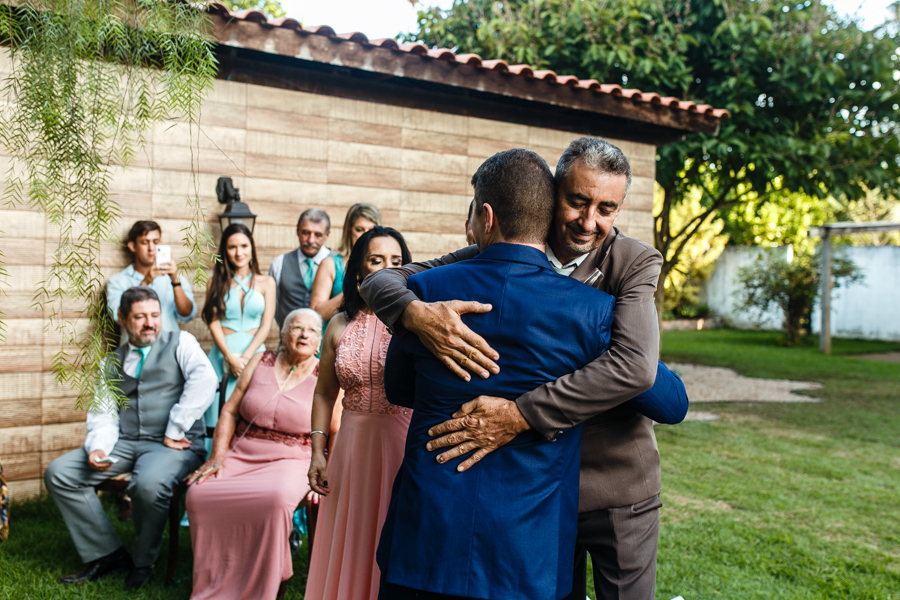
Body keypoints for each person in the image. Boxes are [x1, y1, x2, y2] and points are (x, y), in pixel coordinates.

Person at [360, 137, 687, 600]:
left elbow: (637, 368)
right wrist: (416, 313)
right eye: (578, 201)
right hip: (538, 493)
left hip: (614, 479)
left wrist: (518, 414)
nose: (589, 221)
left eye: (606, 209)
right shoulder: (497, 251)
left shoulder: (632, 263)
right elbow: (383, 280)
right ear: (553, 193)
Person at [44, 287, 217, 590]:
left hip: (175, 444)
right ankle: (106, 553)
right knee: (60, 473)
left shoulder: (181, 342)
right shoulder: (110, 362)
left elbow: (206, 380)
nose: (150, 323)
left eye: (154, 315)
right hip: (125, 442)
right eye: (140, 317)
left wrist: (175, 428)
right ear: (122, 319)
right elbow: (104, 412)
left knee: (148, 485)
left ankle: (143, 562)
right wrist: (98, 447)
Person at [305, 226, 413, 600]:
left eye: (396, 261)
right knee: (350, 536)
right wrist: (317, 452)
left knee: (392, 533)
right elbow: (323, 394)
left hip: (400, 446)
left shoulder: (414, 321)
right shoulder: (338, 324)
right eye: (376, 260)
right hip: (350, 449)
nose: (387, 268)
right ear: (358, 270)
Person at [185, 308, 323, 600]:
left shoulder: (324, 375)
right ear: (283, 334)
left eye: (312, 331)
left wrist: (324, 473)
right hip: (242, 452)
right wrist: (217, 457)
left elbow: (335, 431)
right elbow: (229, 411)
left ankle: (260, 587)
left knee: (275, 500)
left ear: (319, 341)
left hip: (293, 459)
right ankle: (215, 580)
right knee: (199, 494)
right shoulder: (260, 360)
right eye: (297, 328)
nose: (304, 335)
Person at [202, 223, 276, 433]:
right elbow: (213, 322)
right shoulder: (214, 282)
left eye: (244, 246)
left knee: (252, 411)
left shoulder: (267, 282)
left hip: (254, 354)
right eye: (232, 247)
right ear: (224, 251)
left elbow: (266, 325)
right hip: (221, 355)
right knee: (217, 413)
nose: (239, 252)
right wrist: (229, 357)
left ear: (252, 247)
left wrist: (246, 357)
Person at [107, 220, 196, 335]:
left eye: (156, 242)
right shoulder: (117, 281)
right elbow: (119, 316)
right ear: (132, 246)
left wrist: (175, 281)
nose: (151, 248)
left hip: (169, 344)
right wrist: (146, 282)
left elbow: (187, 315)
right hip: (136, 345)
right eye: (144, 242)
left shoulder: (176, 277)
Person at [310, 202, 382, 324]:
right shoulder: (331, 264)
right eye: (359, 230)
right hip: (336, 333)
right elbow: (316, 314)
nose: (366, 235)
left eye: (371, 230)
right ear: (349, 231)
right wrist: (354, 289)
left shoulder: (385, 265)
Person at [269, 208, 332, 325]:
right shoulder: (279, 263)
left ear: (327, 235)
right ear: (297, 230)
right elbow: (275, 307)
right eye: (306, 233)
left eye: (318, 235)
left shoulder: (339, 264)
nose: (311, 240)